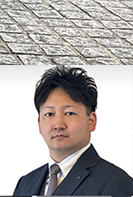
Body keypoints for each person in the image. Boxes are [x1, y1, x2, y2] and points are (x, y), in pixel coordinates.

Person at [13, 66, 133, 196]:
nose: (58, 125)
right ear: (39, 123)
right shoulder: (25, 183)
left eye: (69, 113)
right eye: (49, 114)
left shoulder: (117, 184)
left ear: (91, 121)